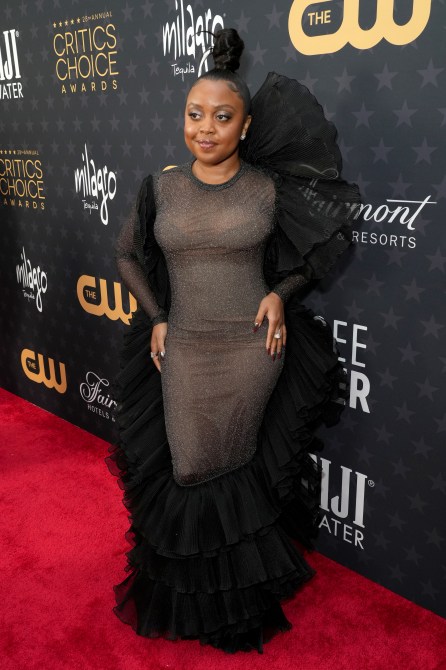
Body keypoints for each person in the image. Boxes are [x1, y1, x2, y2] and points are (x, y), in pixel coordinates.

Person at [105, 28, 362, 654]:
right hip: (186, 344)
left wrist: (281, 293)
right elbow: (128, 255)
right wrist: (157, 316)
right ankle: (193, 598)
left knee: (235, 463)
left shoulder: (268, 189)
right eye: (195, 114)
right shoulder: (160, 187)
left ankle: (236, 607)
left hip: (251, 348)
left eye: (223, 117)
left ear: (245, 127)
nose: (206, 128)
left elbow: (314, 251)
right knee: (189, 464)